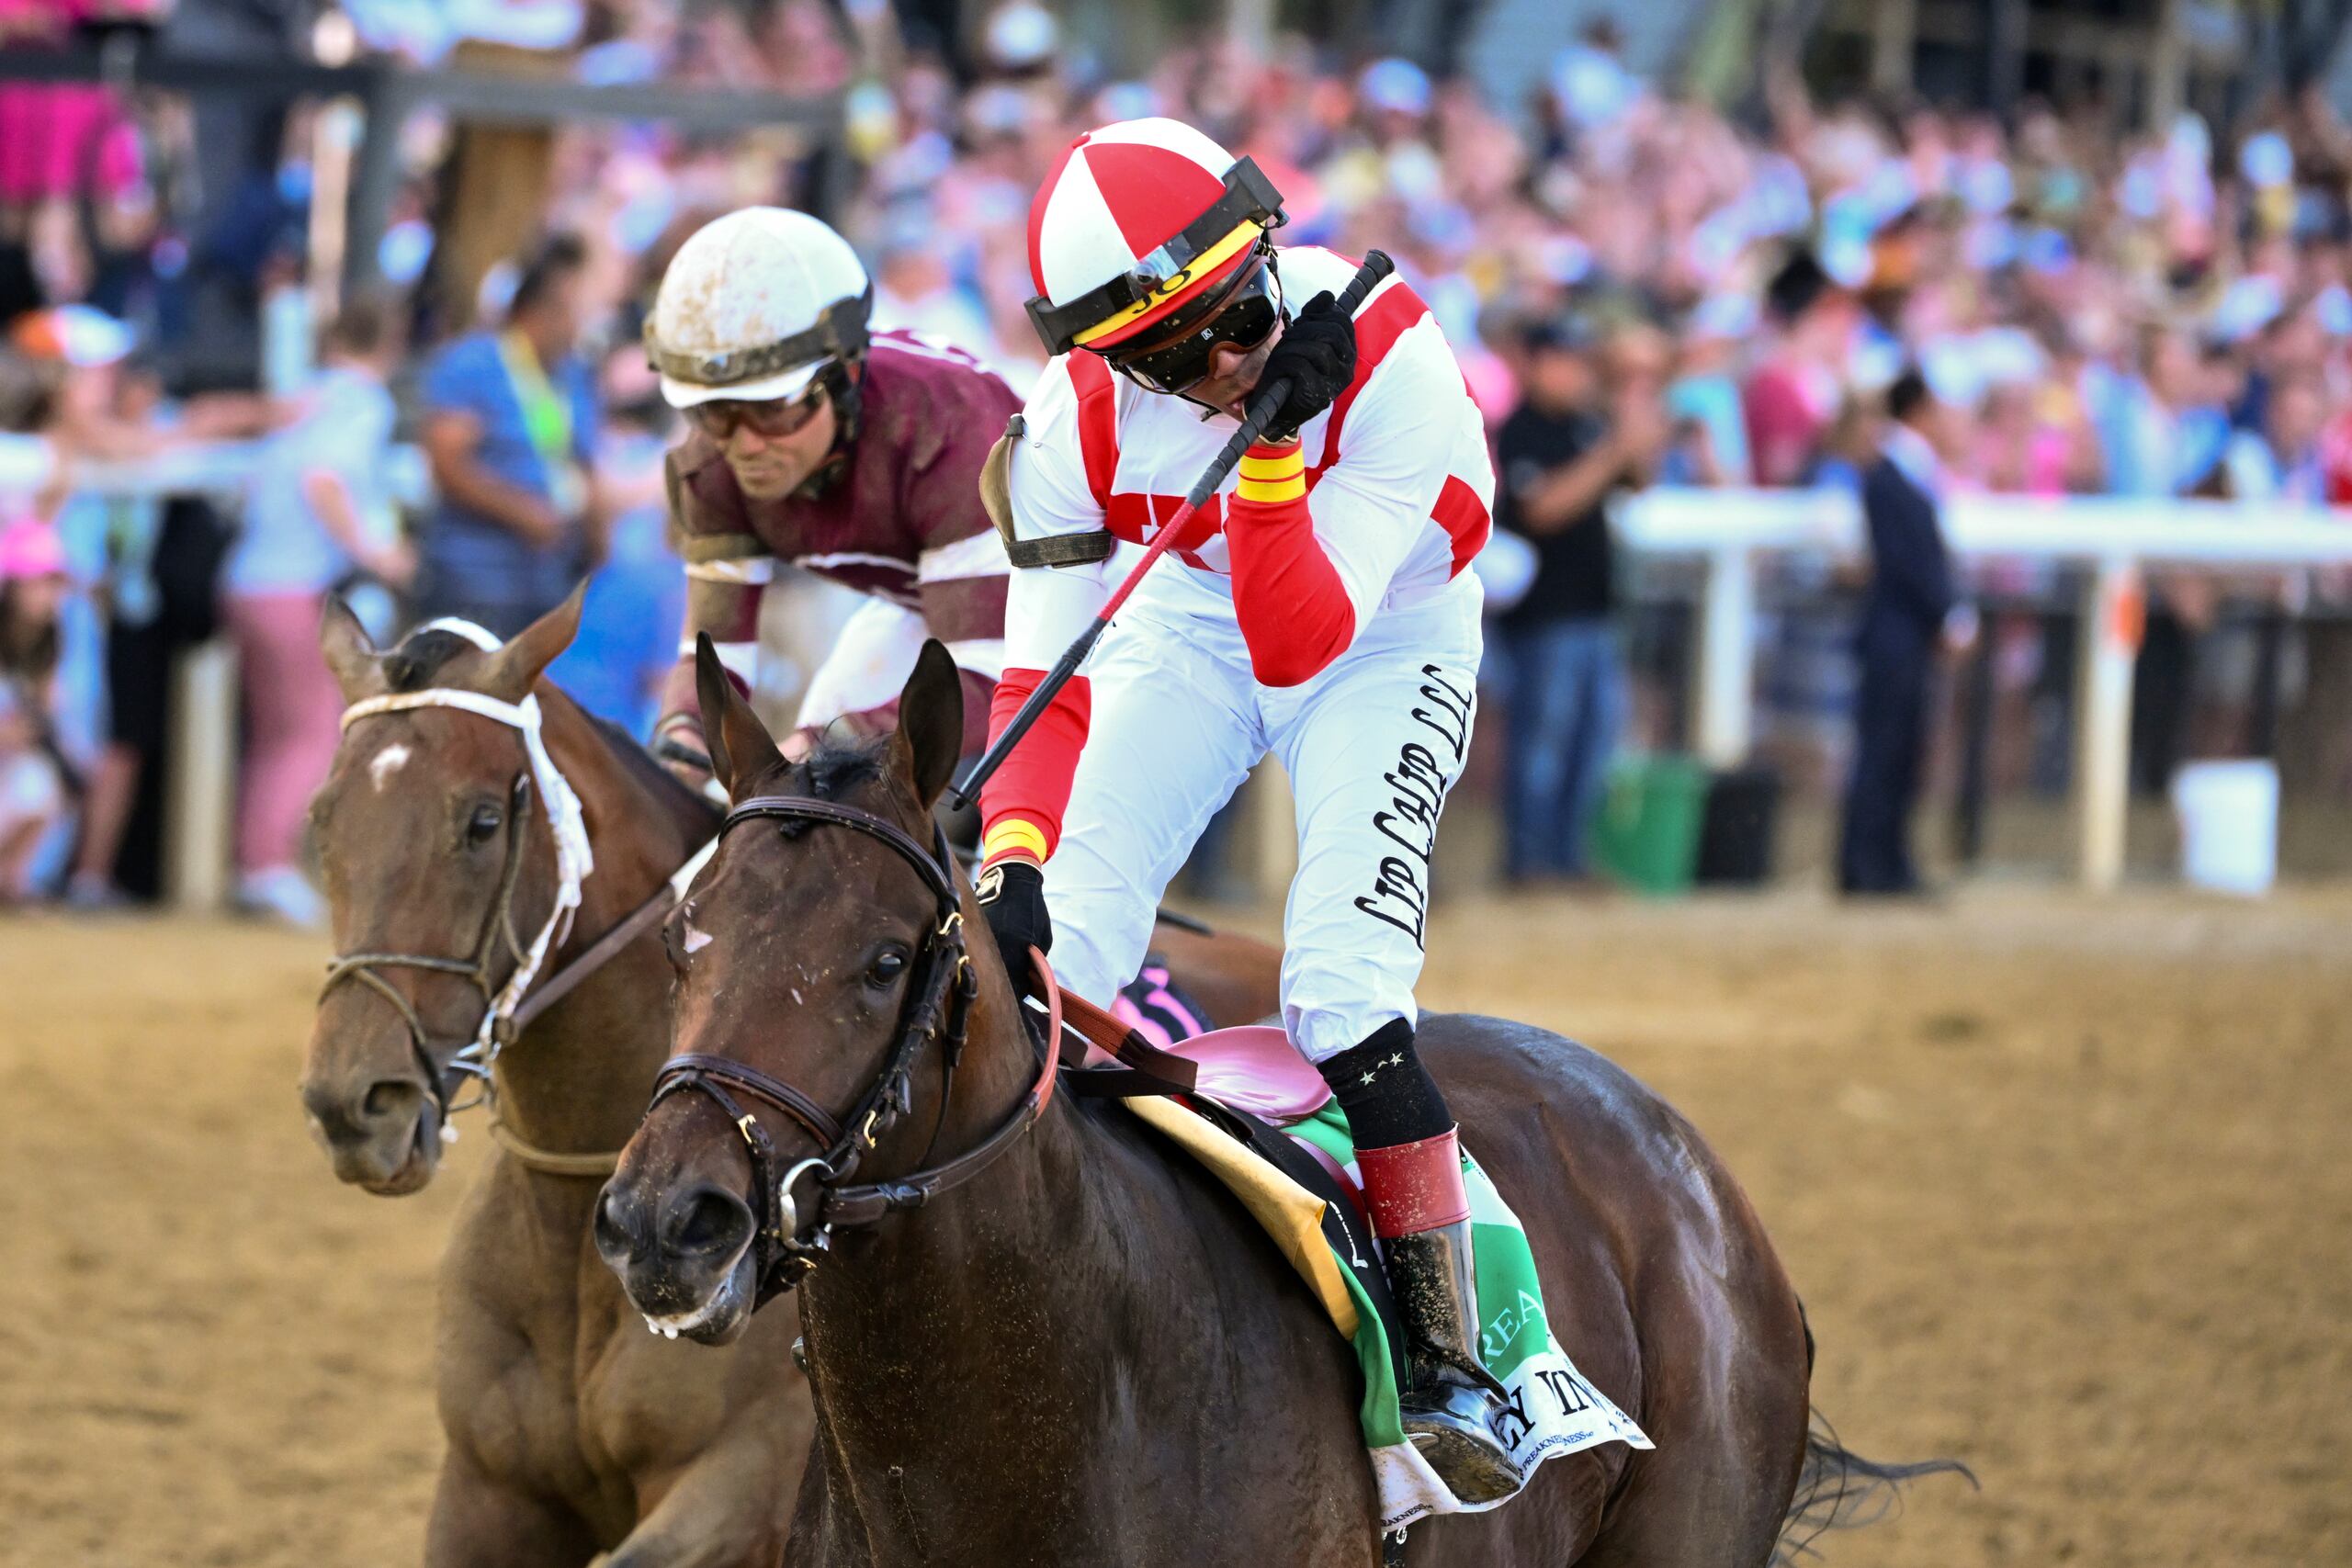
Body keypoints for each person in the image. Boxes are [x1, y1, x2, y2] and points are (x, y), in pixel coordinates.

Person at [978, 118, 1510, 1498]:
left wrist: (1272, 454)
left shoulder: (1390, 356)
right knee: (1044, 967)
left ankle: (1454, 1357)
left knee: (1341, 986)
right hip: (1193, 620)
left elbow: (1305, 644)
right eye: (1172, 356)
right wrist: (1013, 848)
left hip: (1382, 636)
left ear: (1271, 253)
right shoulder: (1067, 419)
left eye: (1239, 317)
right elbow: (1044, 668)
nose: (1223, 365)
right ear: (1103, 362)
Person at [641, 206, 1022, 776]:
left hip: (1091, 606)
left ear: (844, 375)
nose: (743, 444)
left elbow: (991, 680)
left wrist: (826, 746)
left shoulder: (944, 426)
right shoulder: (708, 464)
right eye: (714, 411)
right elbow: (715, 660)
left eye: (771, 408)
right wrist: (684, 735)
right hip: (919, 608)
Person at [222, 298, 410, 925]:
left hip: (252, 577)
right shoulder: (361, 403)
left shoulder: (304, 395)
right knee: (309, 727)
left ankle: (258, 860)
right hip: (290, 583)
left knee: (276, 731)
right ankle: (267, 867)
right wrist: (376, 553)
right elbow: (323, 480)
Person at [1492, 319, 1664, 886]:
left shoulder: (1587, 426)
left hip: (1592, 612)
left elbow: (1639, 481)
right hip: (1547, 617)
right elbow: (1542, 510)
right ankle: (1531, 861)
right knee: (1543, 745)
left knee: (1588, 745)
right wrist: (1614, 450)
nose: (1576, 375)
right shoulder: (1521, 431)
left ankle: (1565, 857)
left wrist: (1630, 430)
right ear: (1537, 364)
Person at [417, 232, 601, 639]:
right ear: (537, 312)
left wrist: (595, 540)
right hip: (479, 576)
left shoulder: (571, 375)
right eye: (571, 312)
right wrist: (522, 513)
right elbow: (446, 464)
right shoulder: (474, 362)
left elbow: (582, 463)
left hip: (550, 577)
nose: (578, 326)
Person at [1839, 368, 1972, 897]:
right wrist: (1949, 612)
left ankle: (1882, 863)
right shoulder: (1894, 472)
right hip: (1898, 633)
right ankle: (1871, 865)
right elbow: (1912, 562)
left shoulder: (1898, 470)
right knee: (1886, 751)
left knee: (1897, 751)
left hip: (1900, 632)